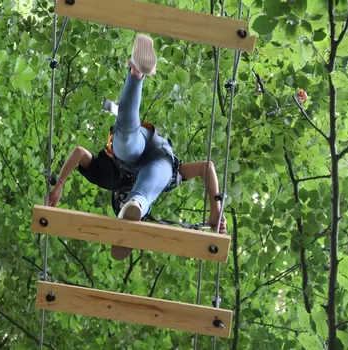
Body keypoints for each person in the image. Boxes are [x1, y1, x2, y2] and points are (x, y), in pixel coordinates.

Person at [46, 34, 227, 260]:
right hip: (159, 160)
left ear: (116, 196)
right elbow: (206, 168)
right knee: (142, 172)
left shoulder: (108, 177)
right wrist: (215, 210)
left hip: (133, 153)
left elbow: (80, 153)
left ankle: (137, 73)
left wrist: (59, 184)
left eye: (121, 200)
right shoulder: (167, 181)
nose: (122, 194)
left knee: (126, 135)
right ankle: (137, 204)